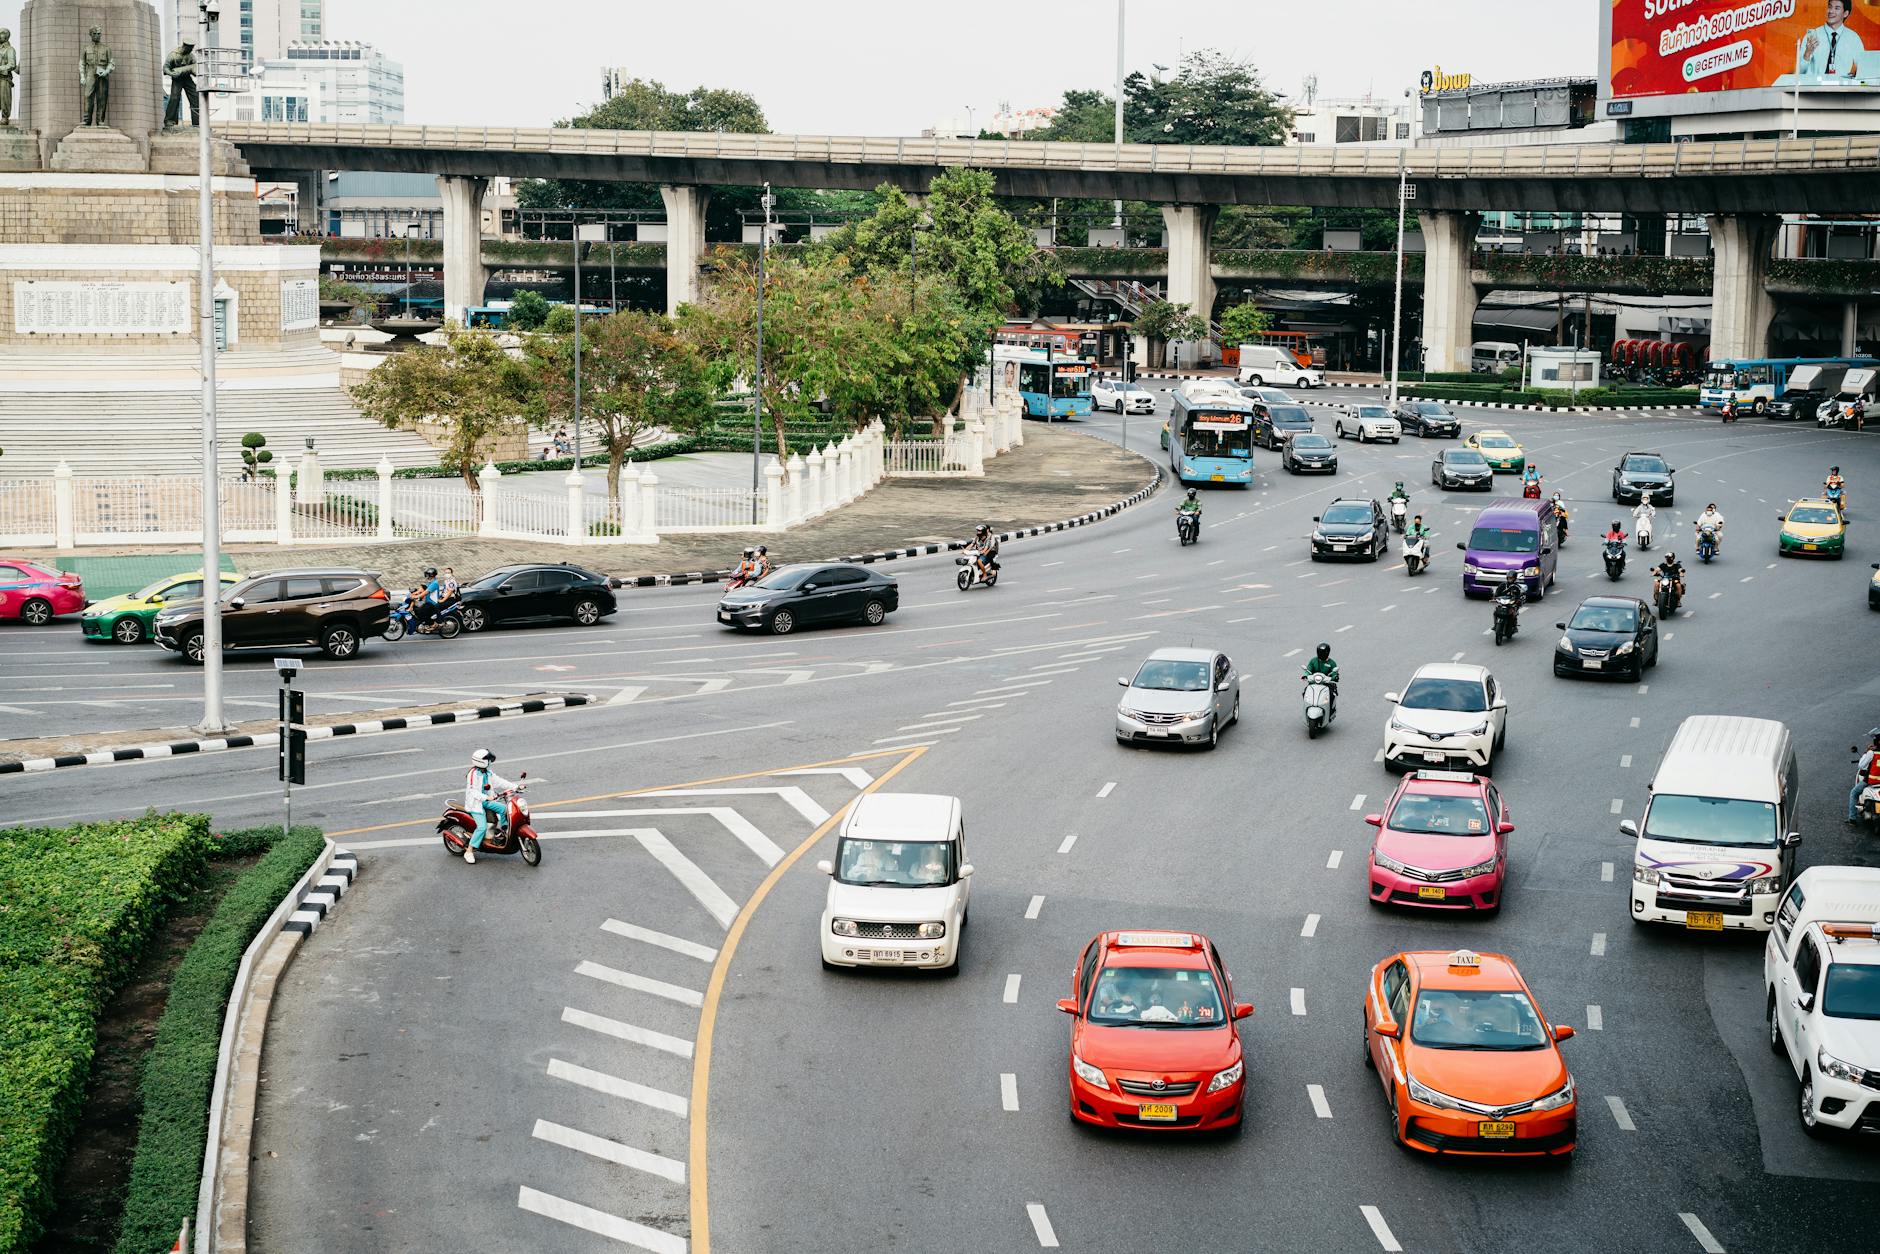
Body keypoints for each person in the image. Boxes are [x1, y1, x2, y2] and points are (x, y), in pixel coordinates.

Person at [463, 748, 516, 865]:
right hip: (476, 804)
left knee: (505, 809)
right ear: (481, 761)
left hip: (486, 801)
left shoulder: (488, 772)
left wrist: (515, 786)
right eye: (488, 760)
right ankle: (469, 851)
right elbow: (473, 791)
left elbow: (500, 781)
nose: (490, 762)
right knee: (481, 827)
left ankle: (504, 830)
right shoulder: (472, 774)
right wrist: (487, 797)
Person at [1797, 0, 1867, 80]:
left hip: (1841, 90)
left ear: (1845, 14)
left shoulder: (1853, 38)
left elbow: (1864, 69)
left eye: (1837, 8)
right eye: (1830, 7)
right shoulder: (1812, 35)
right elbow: (1799, 72)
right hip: (1815, 88)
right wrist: (1807, 53)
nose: (1831, 11)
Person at [1849, 731, 1880, 824]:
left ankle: (1852, 819)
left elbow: (1861, 766)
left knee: (1854, 793)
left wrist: (1866, 752)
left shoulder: (1872, 753)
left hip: (1871, 782)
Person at [1303, 642, 1339, 715]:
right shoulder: (1313, 661)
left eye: (1323, 653)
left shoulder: (1332, 663)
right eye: (1320, 652)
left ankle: (1331, 712)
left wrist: (1335, 677)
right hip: (1314, 682)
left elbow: (1334, 673)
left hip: (1327, 684)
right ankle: (1306, 709)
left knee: (1332, 695)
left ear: (1327, 652)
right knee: (1305, 692)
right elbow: (1308, 670)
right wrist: (1305, 675)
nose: (1321, 654)